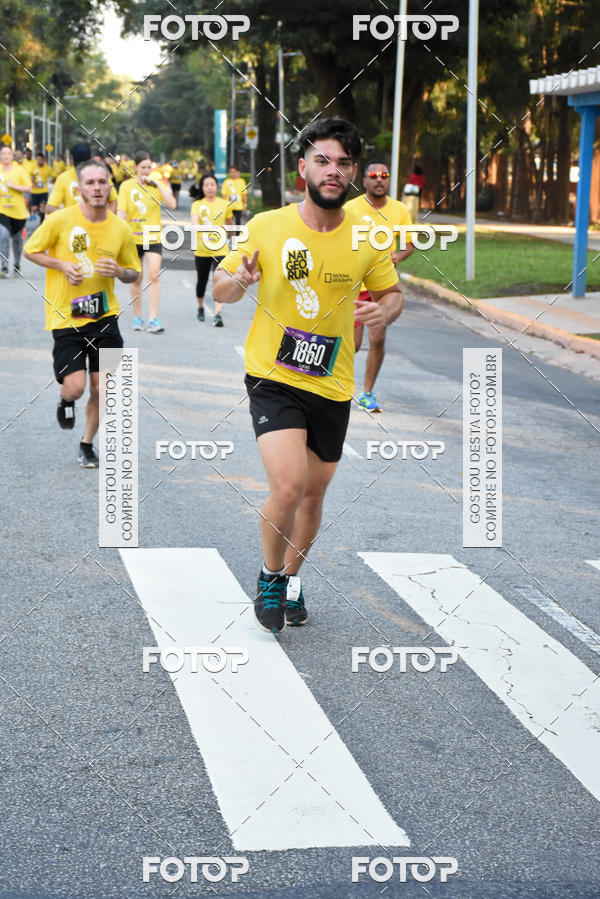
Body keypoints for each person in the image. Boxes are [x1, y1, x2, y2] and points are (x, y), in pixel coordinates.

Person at [213, 118, 403, 633]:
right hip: (273, 374)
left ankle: (293, 578)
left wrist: (386, 312)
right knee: (290, 484)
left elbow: (392, 293)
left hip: (333, 382)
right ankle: (271, 575)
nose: (332, 170)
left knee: (314, 496)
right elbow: (220, 288)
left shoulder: (367, 236)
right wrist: (238, 278)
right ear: (302, 168)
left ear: (356, 173)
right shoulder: (268, 225)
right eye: (322, 160)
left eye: (343, 163)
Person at [24, 160, 140, 467]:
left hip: (105, 317)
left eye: (102, 182)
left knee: (105, 386)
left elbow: (133, 273)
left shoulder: (120, 228)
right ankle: (66, 400)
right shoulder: (60, 220)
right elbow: (30, 250)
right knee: (75, 387)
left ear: (109, 186)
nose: (97, 188)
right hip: (67, 317)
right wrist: (61, 265)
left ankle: (87, 443)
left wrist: (119, 271)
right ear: (79, 188)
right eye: (90, 183)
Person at [345, 161, 414, 412]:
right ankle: (339, 386)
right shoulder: (350, 208)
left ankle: (367, 393)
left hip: (382, 286)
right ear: (364, 181)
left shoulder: (399, 210)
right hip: (355, 285)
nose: (379, 179)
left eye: (384, 175)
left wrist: (400, 256)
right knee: (351, 343)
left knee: (378, 337)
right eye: (373, 175)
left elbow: (410, 242)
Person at [117, 150, 176, 333]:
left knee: (154, 276)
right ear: (135, 167)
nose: (146, 171)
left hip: (153, 237)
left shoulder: (156, 186)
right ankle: (138, 317)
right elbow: (121, 212)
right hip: (132, 238)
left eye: (149, 167)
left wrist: (158, 183)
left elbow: (172, 204)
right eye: (143, 167)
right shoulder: (126, 187)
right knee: (137, 279)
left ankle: (153, 318)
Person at [191, 174, 232, 326]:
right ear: (202, 188)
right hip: (202, 250)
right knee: (202, 281)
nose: (209, 187)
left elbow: (230, 222)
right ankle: (200, 307)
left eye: (212, 184)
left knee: (219, 281)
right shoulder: (197, 204)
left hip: (221, 250)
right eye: (206, 185)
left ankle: (218, 313)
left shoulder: (224, 204)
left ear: (217, 186)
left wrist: (233, 238)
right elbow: (195, 223)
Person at [47, 142, 117, 214]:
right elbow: (50, 208)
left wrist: (106, 220)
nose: (81, 168)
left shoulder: (101, 175)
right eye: (78, 164)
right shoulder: (63, 178)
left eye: (84, 164)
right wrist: (74, 217)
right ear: (72, 159)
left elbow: (114, 201)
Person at [0, 145, 32, 277]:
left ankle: (17, 265)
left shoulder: (19, 170)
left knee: (17, 240)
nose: (6, 156)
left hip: (18, 212)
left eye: (8, 153)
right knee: (3, 235)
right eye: (3, 153)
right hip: (2, 210)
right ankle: (4, 266)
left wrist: (14, 186)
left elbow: (29, 188)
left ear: (12, 156)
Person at [30, 151, 52, 224]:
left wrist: (52, 179)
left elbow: (52, 176)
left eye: (41, 160)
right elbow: (31, 177)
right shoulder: (33, 167)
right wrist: (32, 181)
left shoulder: (47, 168)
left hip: (43, 191)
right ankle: (39, 212)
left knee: (43, 206)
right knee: (34, 208)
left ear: (43, 160)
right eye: (38, 159)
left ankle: (41, 223)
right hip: (35, 191)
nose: (39, 161)